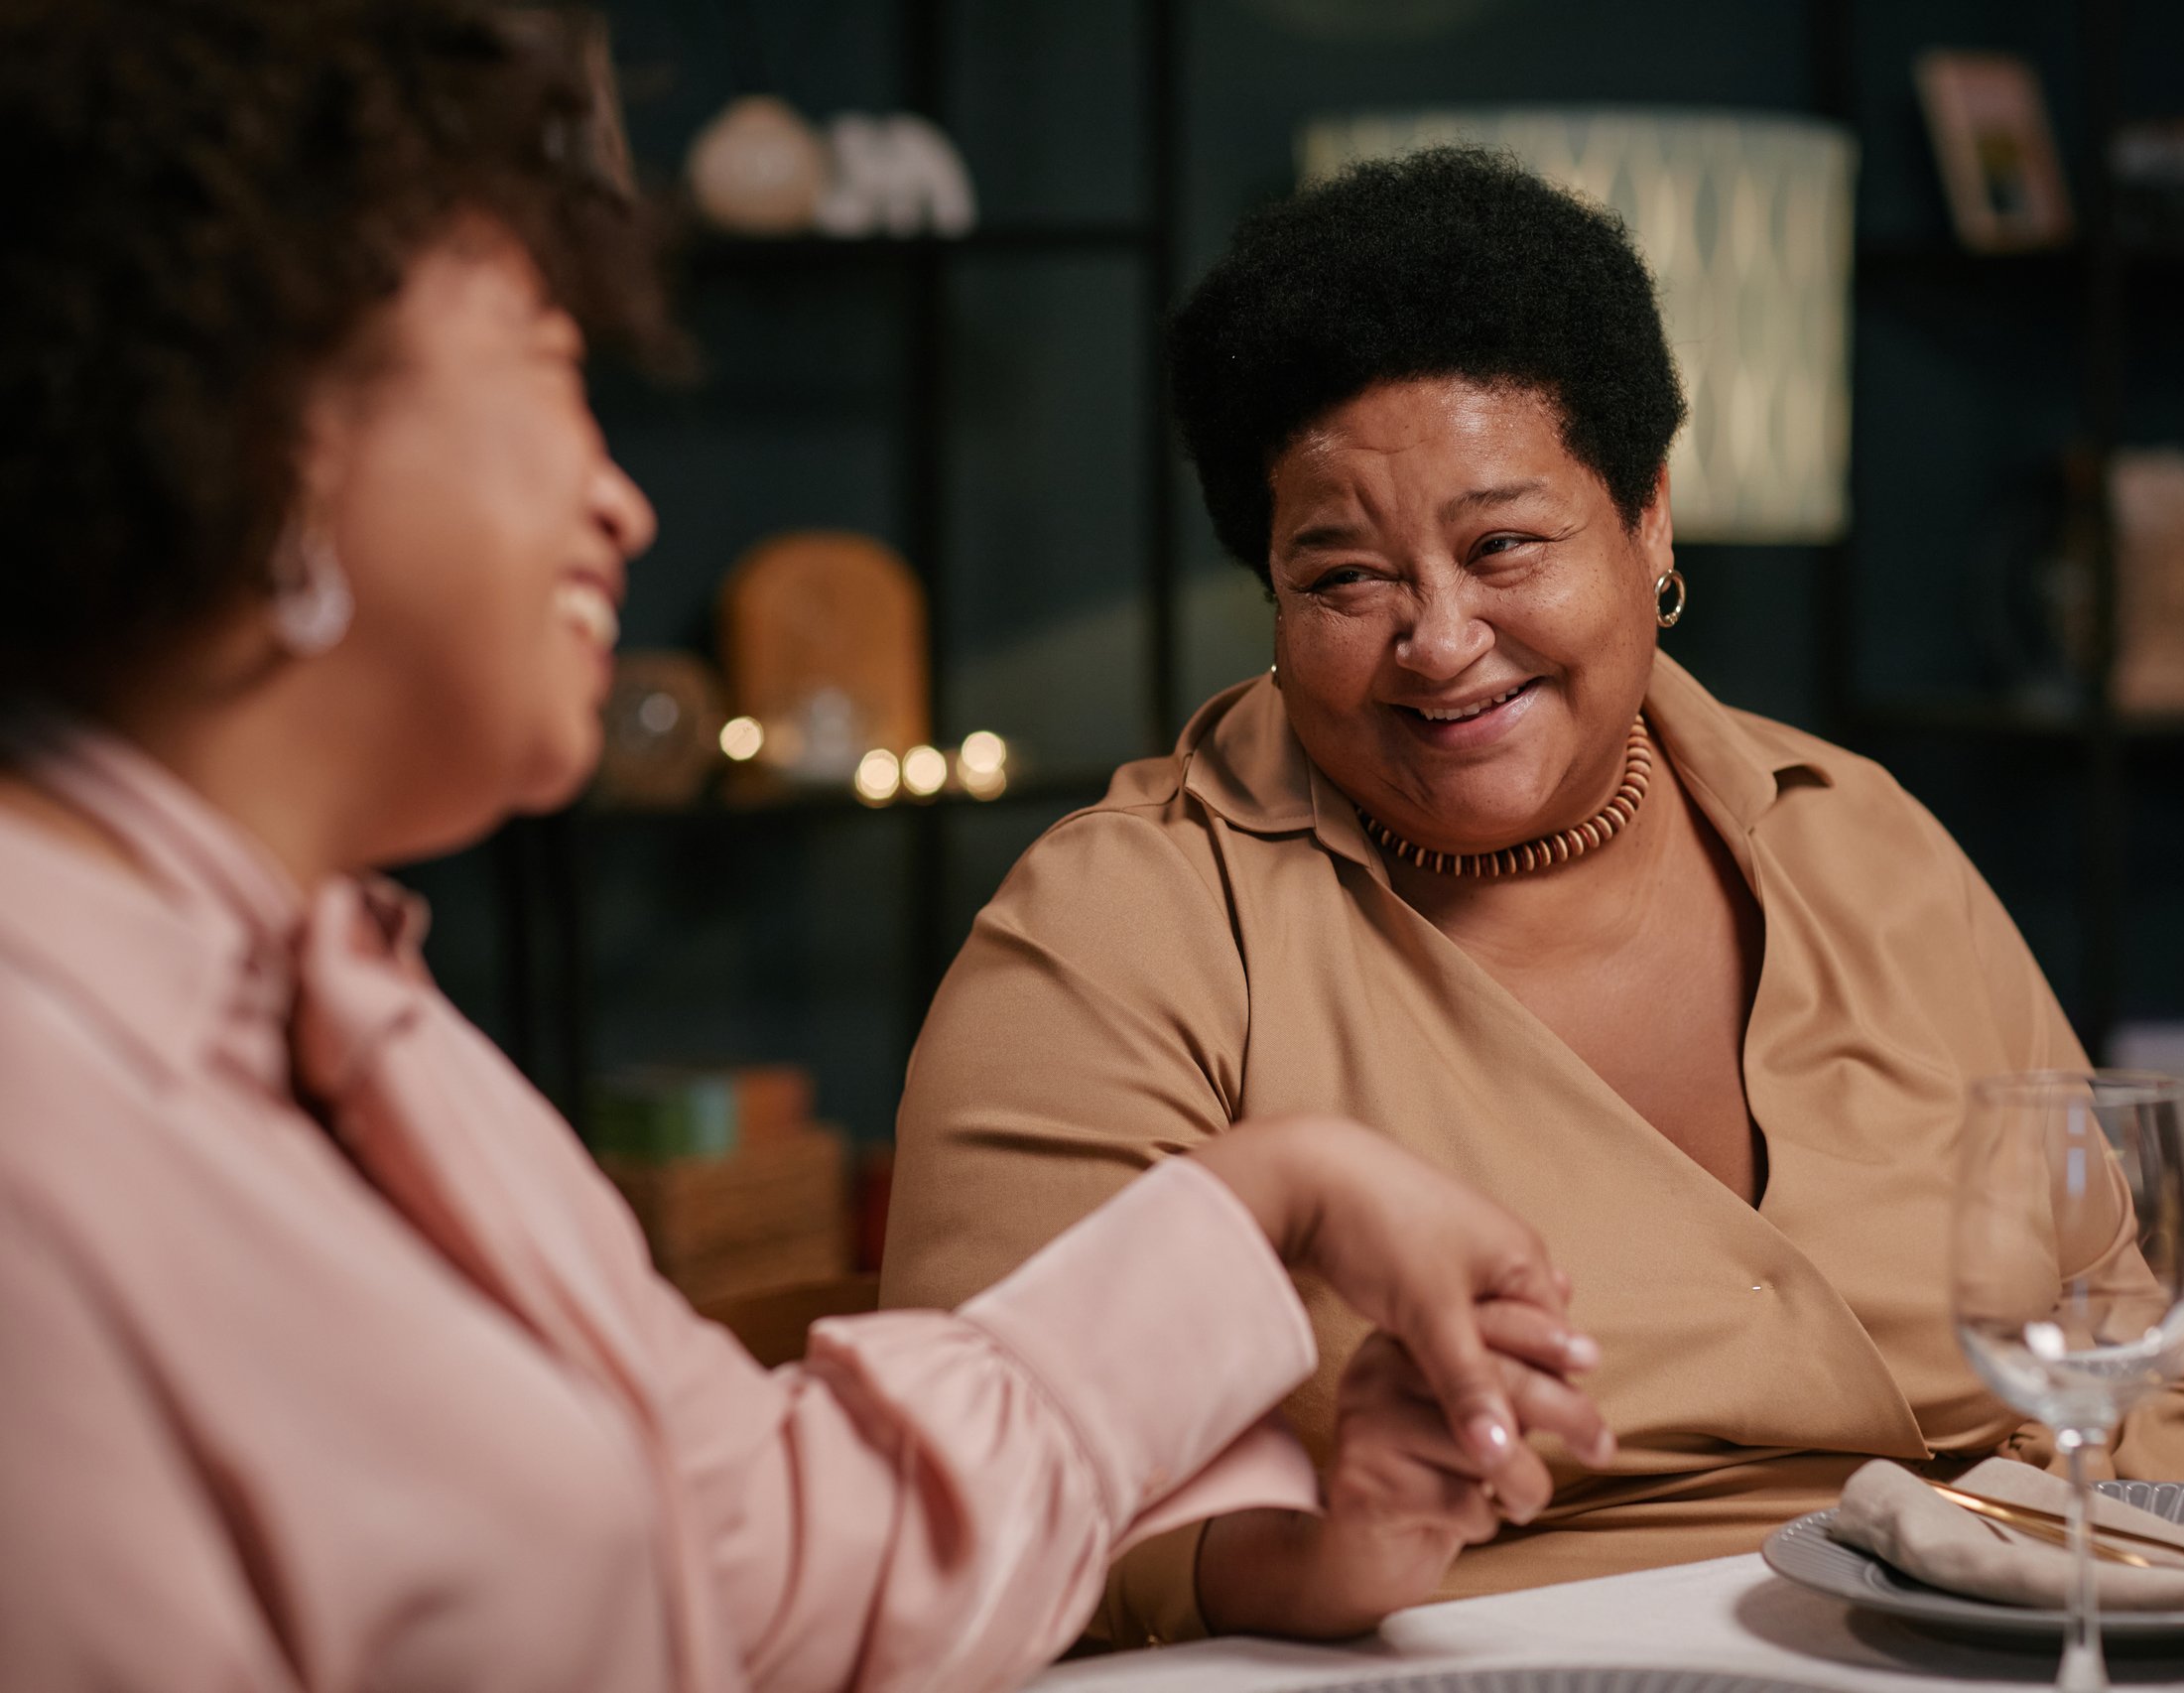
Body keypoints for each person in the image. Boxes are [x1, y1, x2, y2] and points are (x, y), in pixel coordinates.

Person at [0, 11, 1611, 1690]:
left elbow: (764, 1559)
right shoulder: (43, 1116)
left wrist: (1280, 1192)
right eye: (552, 368)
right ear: (273, 428)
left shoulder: (350, 1013)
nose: (621, 500)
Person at [881, 147, 2184, 1643]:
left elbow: (2143, 1336)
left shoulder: (1862, 839)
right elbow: (980, 1515)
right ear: (1270, 593)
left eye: (1503, 545)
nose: (1439, 639)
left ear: (1649, 519)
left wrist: (2132, 1620)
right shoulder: (1116, 935)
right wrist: (1326, 1562)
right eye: (1345, 577)